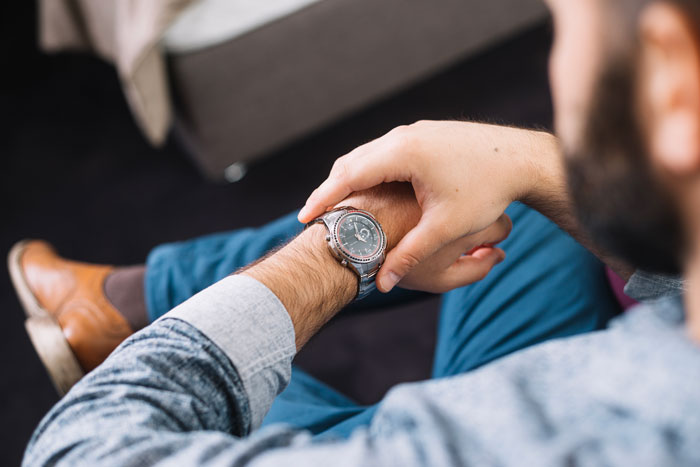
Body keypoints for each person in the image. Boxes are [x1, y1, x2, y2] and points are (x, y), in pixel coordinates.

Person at [15, 0, 700, 464]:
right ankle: (129, 304)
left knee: (186, 385)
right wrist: (529, 162)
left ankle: (134, 327)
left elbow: (79, 449)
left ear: (675, 83)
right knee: (530, 196)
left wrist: (340, 249)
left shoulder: (545, 433)